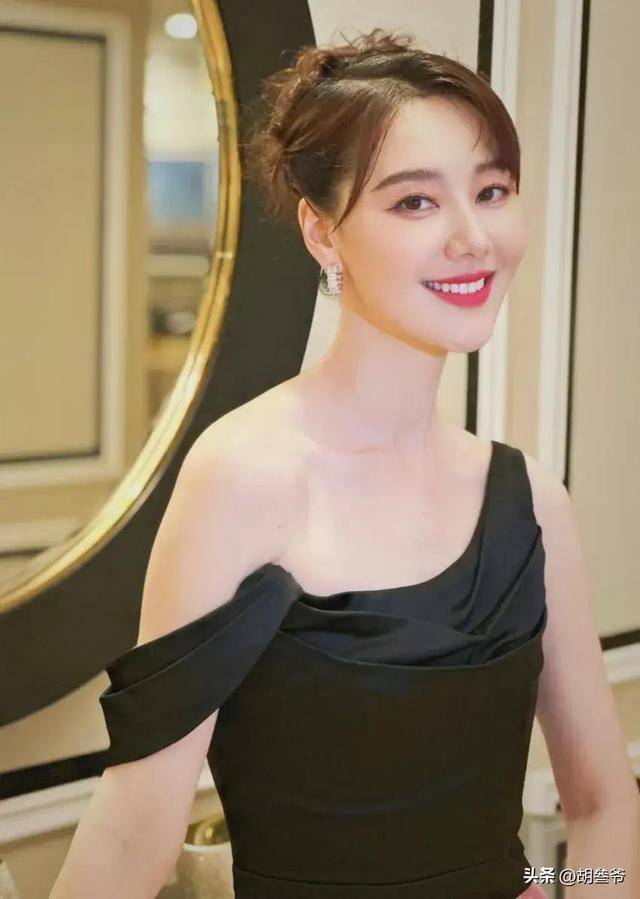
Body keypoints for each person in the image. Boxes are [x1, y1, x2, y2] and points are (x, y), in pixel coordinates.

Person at [51, 27, 639, 899]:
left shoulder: (531, 501)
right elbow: (135, 830)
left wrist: (587, 887)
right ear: (322, 233)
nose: (473, 237)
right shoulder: (244, 476)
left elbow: (602, 805)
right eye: (415, 202)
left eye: (492, 191)